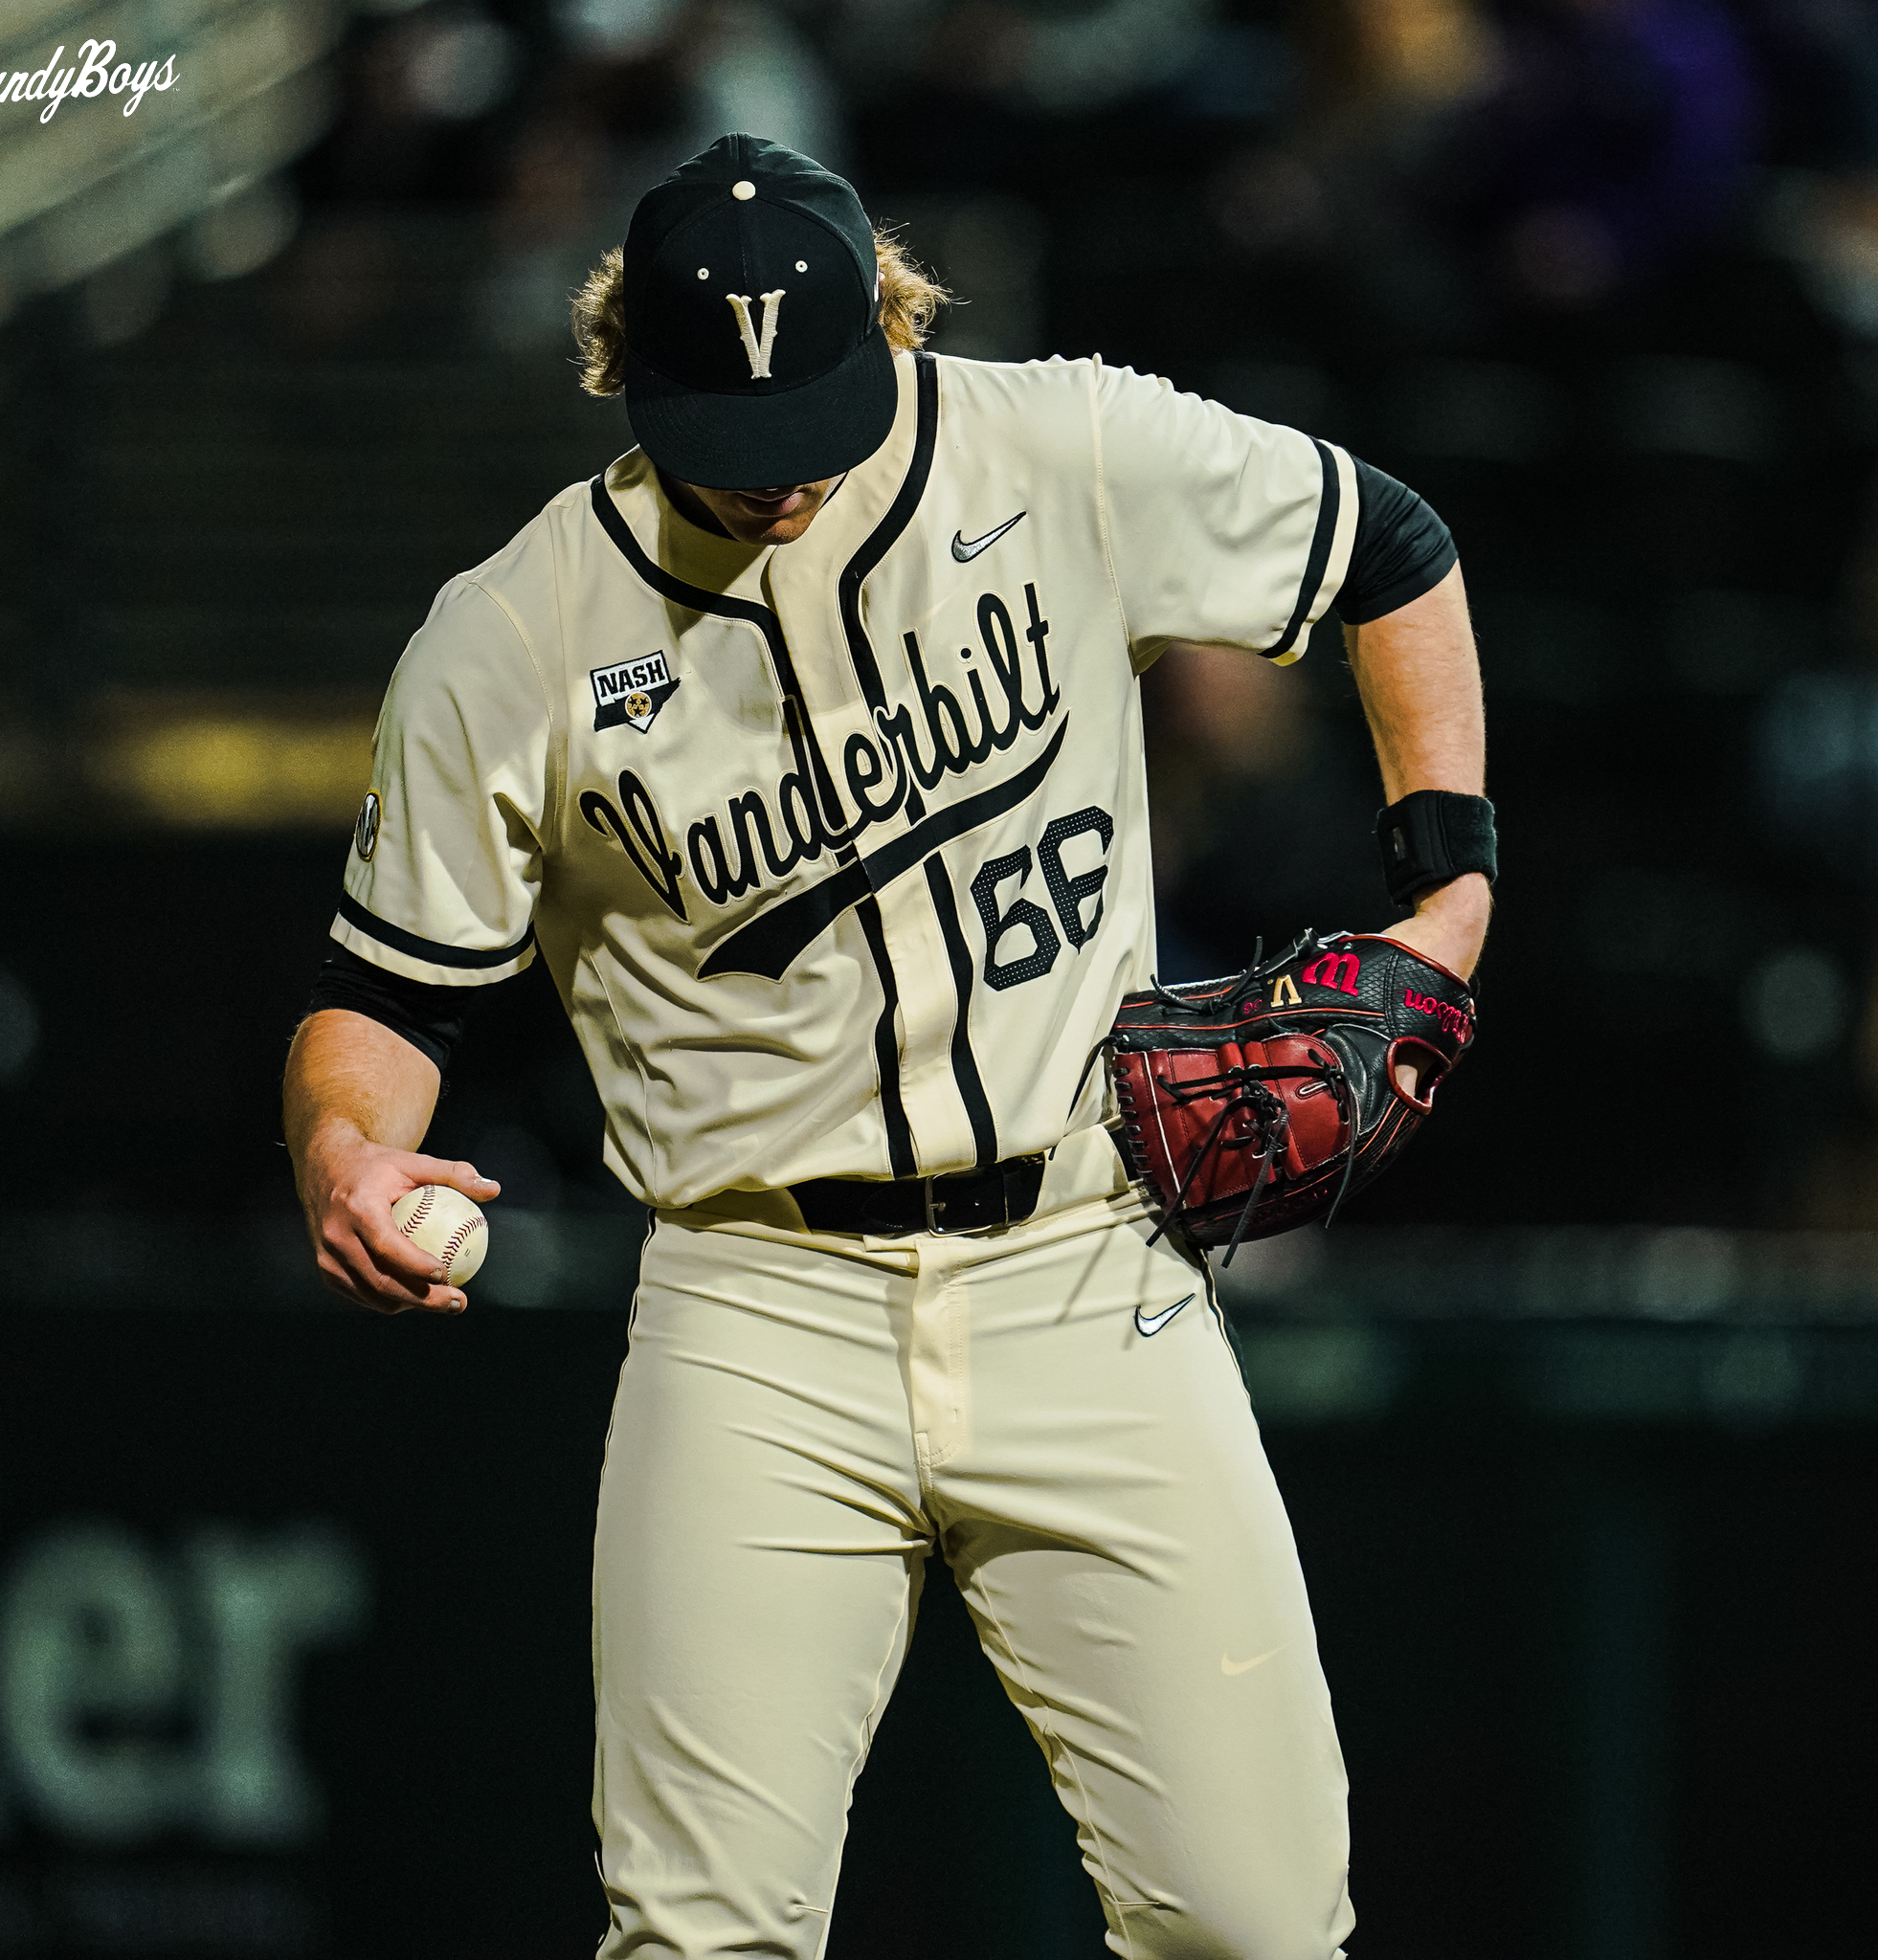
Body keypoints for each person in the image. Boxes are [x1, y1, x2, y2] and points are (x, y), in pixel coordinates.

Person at [283, 133, 1490, 1960]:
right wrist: (345, 1148)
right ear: (627, 371)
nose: (778, 488)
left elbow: (1388, 544)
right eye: (732, 442)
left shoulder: (1058, 445)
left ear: (893, 326)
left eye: (815, 426)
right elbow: (389, 997)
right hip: (756, 1305)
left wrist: (1446, 888)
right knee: (701, 1940)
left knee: (1254, 1924)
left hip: (1091, 1257)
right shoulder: (510, 637)